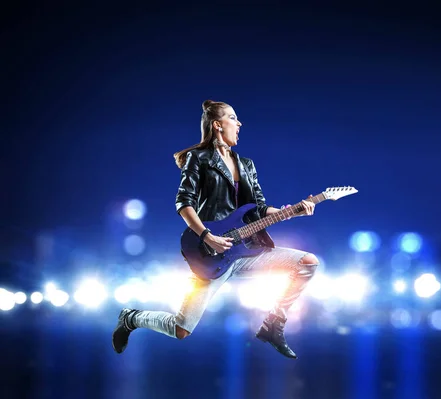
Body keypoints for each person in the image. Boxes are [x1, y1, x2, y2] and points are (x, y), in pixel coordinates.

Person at [111, 99, 319, 359]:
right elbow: (183, 203)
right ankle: (131, 318)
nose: (239, 123)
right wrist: (206, 236)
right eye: (233, 118)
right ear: (217, 125)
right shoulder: (198, 159)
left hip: (246, 251)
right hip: (210, 255)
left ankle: (273, 325)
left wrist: (291, 211)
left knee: (308, 262)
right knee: (181, 328)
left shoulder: (247, 164)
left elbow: (257, 207)